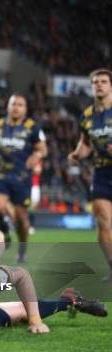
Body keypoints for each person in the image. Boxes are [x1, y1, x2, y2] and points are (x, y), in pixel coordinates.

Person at [0, 95, 47, 262]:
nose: (16, 107)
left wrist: (37, 155)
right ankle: (4, 231)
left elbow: (42, 149)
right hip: (1, 175)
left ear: (25, 109)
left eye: (20, 104)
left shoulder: (32, 128)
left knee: (21, 219)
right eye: (13, 104)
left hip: (22, 178)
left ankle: (22, 251)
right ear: (8, 106)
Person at [68, 68, 112, 282]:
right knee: (103, 222)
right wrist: (77, 154)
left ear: (111, 85)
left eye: (104, 81)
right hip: (102, 172)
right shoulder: (86, 116)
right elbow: (86, 143)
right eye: (96, 82)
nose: (99, 85)